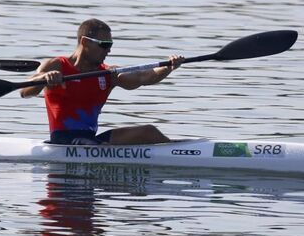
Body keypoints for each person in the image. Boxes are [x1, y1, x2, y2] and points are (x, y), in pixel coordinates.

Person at [21, 18, 183, 145]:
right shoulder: (57, 65)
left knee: (148, 132)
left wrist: (169, 67)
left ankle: (178, 153)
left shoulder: (108, 73)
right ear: (84, 42)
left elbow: (143, 77)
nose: (109, 50)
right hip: (63, 142)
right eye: (104, 45)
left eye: (110, 45)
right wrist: (44, 79)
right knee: (92, 145)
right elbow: (25, 92)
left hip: (92, 141)